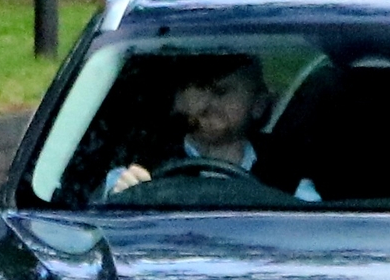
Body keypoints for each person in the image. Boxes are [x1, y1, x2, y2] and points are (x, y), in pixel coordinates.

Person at [104, 58, 318, 200]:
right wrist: (123, 194)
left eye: (221, 92)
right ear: (180, 99)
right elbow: (102, 223)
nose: (207, 104)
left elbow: (313, 228)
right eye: (198, 90)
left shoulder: (286, 170)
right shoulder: (144, 159)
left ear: (258, 105)